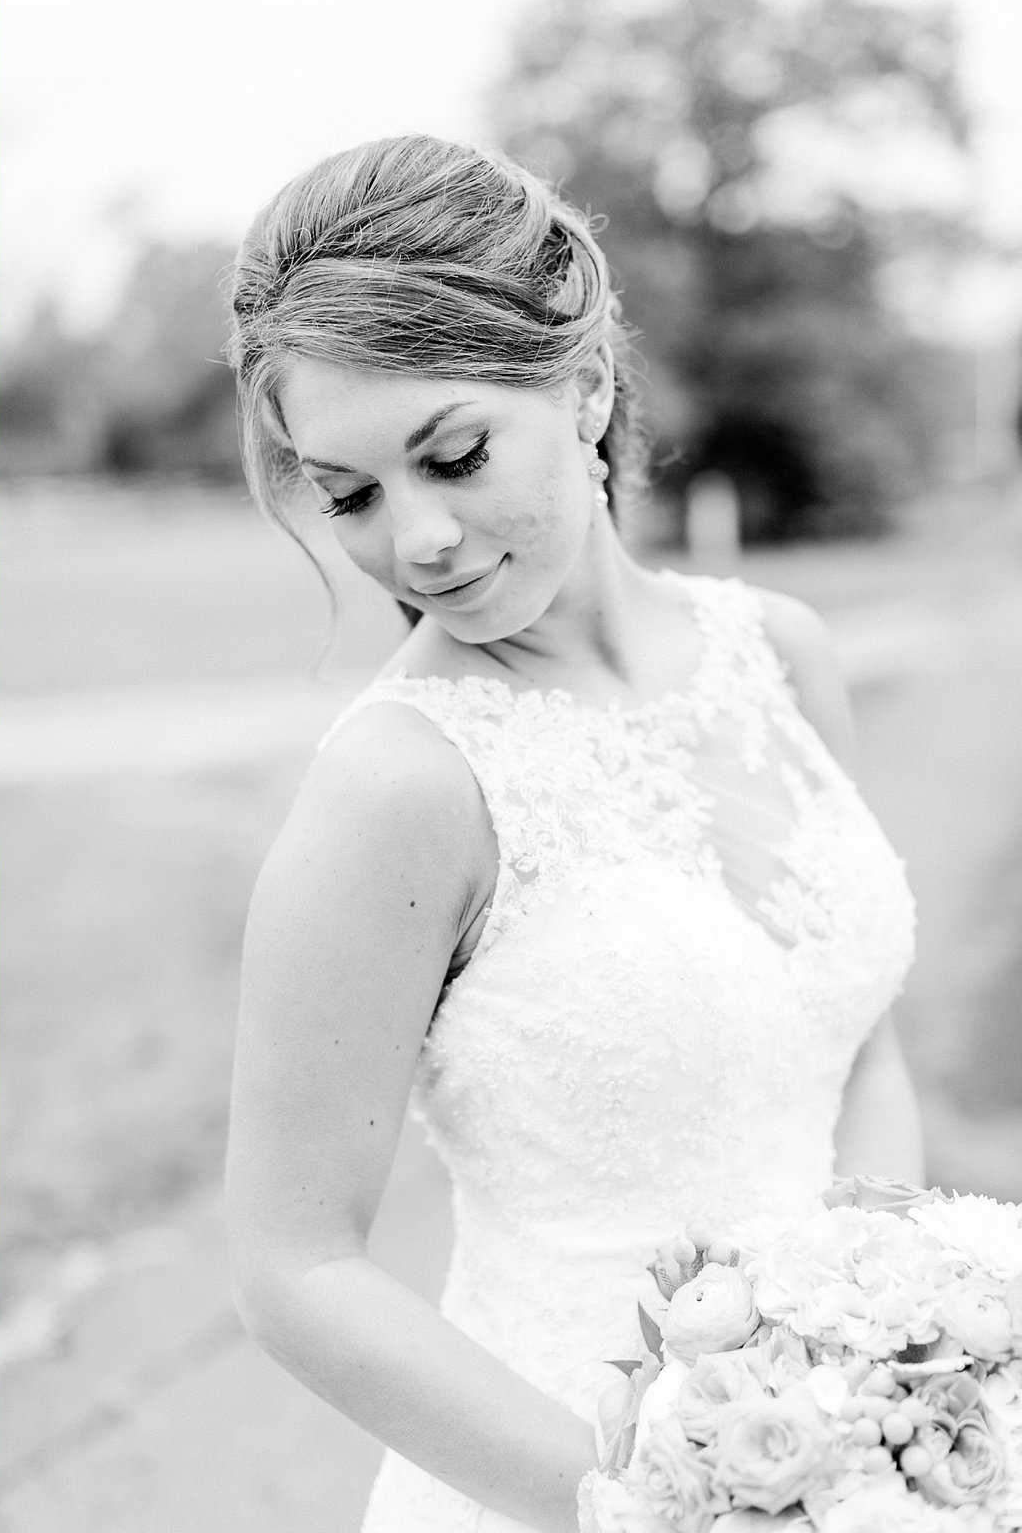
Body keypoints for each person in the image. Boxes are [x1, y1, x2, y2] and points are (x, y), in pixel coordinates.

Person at [219, 136, 923, 1532]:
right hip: (557, 1478)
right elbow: (293, 1266)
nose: (415, 542)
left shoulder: (782, 654)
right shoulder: (399, 789)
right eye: (349, 493)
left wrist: (891, 1359)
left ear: (588, 382)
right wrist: (652, 1496)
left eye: (456, 454)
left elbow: (862, 1051)